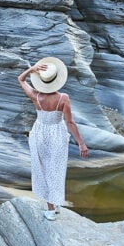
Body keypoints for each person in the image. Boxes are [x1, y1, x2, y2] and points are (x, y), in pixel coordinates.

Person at [17, 57, 89, 220]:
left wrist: (32, 69)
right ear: (57, 80)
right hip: (57, 133)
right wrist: (81, 143)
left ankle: (52, 206)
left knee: (43, 168)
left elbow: (20, 79)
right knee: (55, 169)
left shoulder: (35, 95)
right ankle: (52, 207)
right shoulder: (63, 98)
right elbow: (70, 122)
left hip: (39, 133)